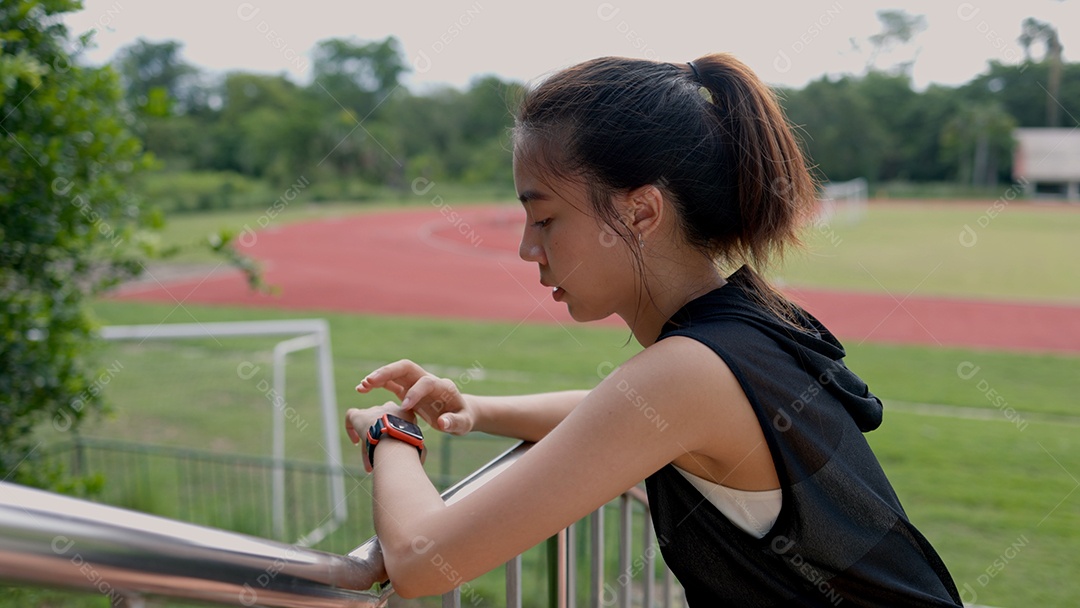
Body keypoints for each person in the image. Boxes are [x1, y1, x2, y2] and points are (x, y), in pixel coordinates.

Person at [344, 53, 963, 606]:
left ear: (640, 211)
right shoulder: (742, 328)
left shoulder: (689, 371)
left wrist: (390, 434)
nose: (528, 249)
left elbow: (424, 562)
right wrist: (475, 409)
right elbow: (612, 415)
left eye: (545, 218)